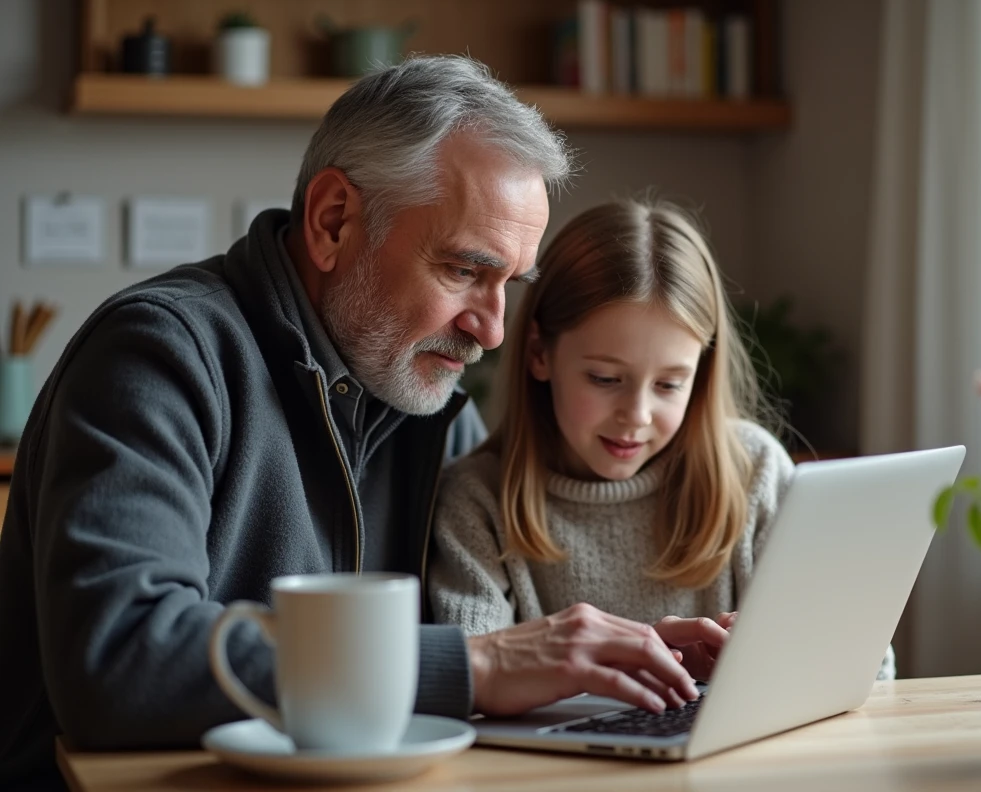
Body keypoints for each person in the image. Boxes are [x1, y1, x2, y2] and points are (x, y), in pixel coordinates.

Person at [0, 58, 717, 789]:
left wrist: (612, 664)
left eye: (510, 284)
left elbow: (480, 657)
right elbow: (121, 660)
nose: (494, 330)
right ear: (333, 221)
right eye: (465, 271)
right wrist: (480, 663)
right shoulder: (158, 356)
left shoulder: (426, 404)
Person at [430, 200, 898, 684]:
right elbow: (468, 685)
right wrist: (643, 661)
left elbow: (871, 669)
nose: (637, 415)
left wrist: (786, 657)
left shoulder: (753, 471)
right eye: (605, 378)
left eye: (670, 384)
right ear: (539, 354)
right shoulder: (478, 502)